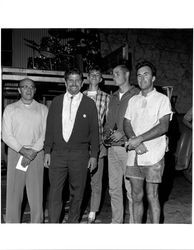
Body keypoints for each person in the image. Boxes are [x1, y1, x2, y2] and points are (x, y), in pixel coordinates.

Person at [44, 68, 99, 223]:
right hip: (58, 154)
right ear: (65, 82)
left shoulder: (89, 104)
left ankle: (72, 224)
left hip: (80, 154)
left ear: (82, 83)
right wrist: (47, 151)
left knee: (78, 192)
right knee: (54, 192)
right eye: (70, 80)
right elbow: (49, 129)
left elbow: (95, 132)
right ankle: (54, 224)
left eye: (77, 80)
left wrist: (94, 155)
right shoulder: (56, 102)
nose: (73, 83)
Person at [123, 60, 172, 223]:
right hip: (134, 155)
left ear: (153, 78)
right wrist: (135, 142)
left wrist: (139, 139)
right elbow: (126, 123)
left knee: (152, 196)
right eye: (139, 75)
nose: (142, 78)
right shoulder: (133, 100)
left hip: (153, 156)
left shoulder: (162, 99)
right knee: (136, 196)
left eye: (146, 74)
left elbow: (164, 126)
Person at [2, 78, 48, 223]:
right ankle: (12, 225)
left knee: (36, 193)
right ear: (19, 90)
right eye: (25, 87)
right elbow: (6, 134)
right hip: (16, 153)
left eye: (31, 87)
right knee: (14, 193)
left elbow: (46, 133)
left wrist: (33, 151)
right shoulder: (10, 109)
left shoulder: (43, 109)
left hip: (36, 153)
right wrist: (22, 150)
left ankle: (36, 224)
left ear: (35, 90)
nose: (28, 90)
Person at [103, 65, 139, 223]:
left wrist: (123, 133)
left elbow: (140, 121)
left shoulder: (136, 94)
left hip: (128, 149)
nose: (114, 76)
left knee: (131, 189)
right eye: (113, 74)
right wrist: (107, 136)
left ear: (127, 74)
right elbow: (108, 123)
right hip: (112, 149)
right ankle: (116, 222)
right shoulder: (113, 97)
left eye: (117, 73)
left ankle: (133, 224)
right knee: (114, 189)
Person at [83, 65, 110, 223]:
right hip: (80, 144)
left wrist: (107, 140)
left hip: (98, 144)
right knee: (79, 179)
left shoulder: (107, 97)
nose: (94, 76)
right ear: (87, 77)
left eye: (97, 74)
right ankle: (78, 207)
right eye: (91, 74)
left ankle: (93, 212)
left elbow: (109, 122)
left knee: (96, 180)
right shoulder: (80, 95)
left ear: (100, 79)